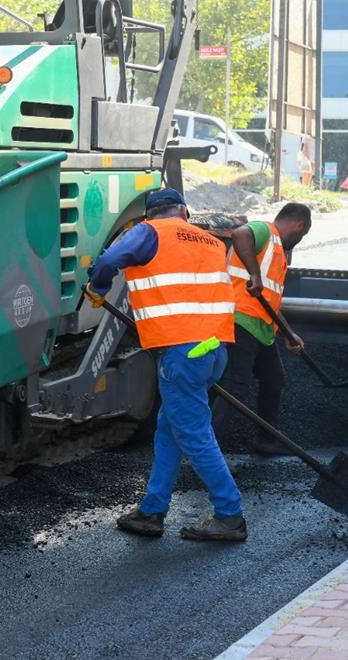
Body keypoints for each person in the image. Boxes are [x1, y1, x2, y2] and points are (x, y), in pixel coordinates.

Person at [85, 188, 246, 542]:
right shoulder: (211, 242)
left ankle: (230, 515)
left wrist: (97, 286)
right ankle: (152, 510)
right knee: (170, 431)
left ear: (150, 214)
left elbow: (110, 260)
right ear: (184, 211)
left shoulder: (149, 232)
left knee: (195, 435)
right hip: (213, 348)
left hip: (181, 352)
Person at [217, 203, 312, 457]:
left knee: (274, 378)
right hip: (239, 318)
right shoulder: (264, 231)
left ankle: (266, 440)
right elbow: (240, 234)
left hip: (261, 327)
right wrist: (254, 275)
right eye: (302, 236)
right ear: (299, 224)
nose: (298, 241)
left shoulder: (278, 255)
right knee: (236, 385)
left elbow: (270, 303)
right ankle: (207, 451)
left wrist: (289, 334)